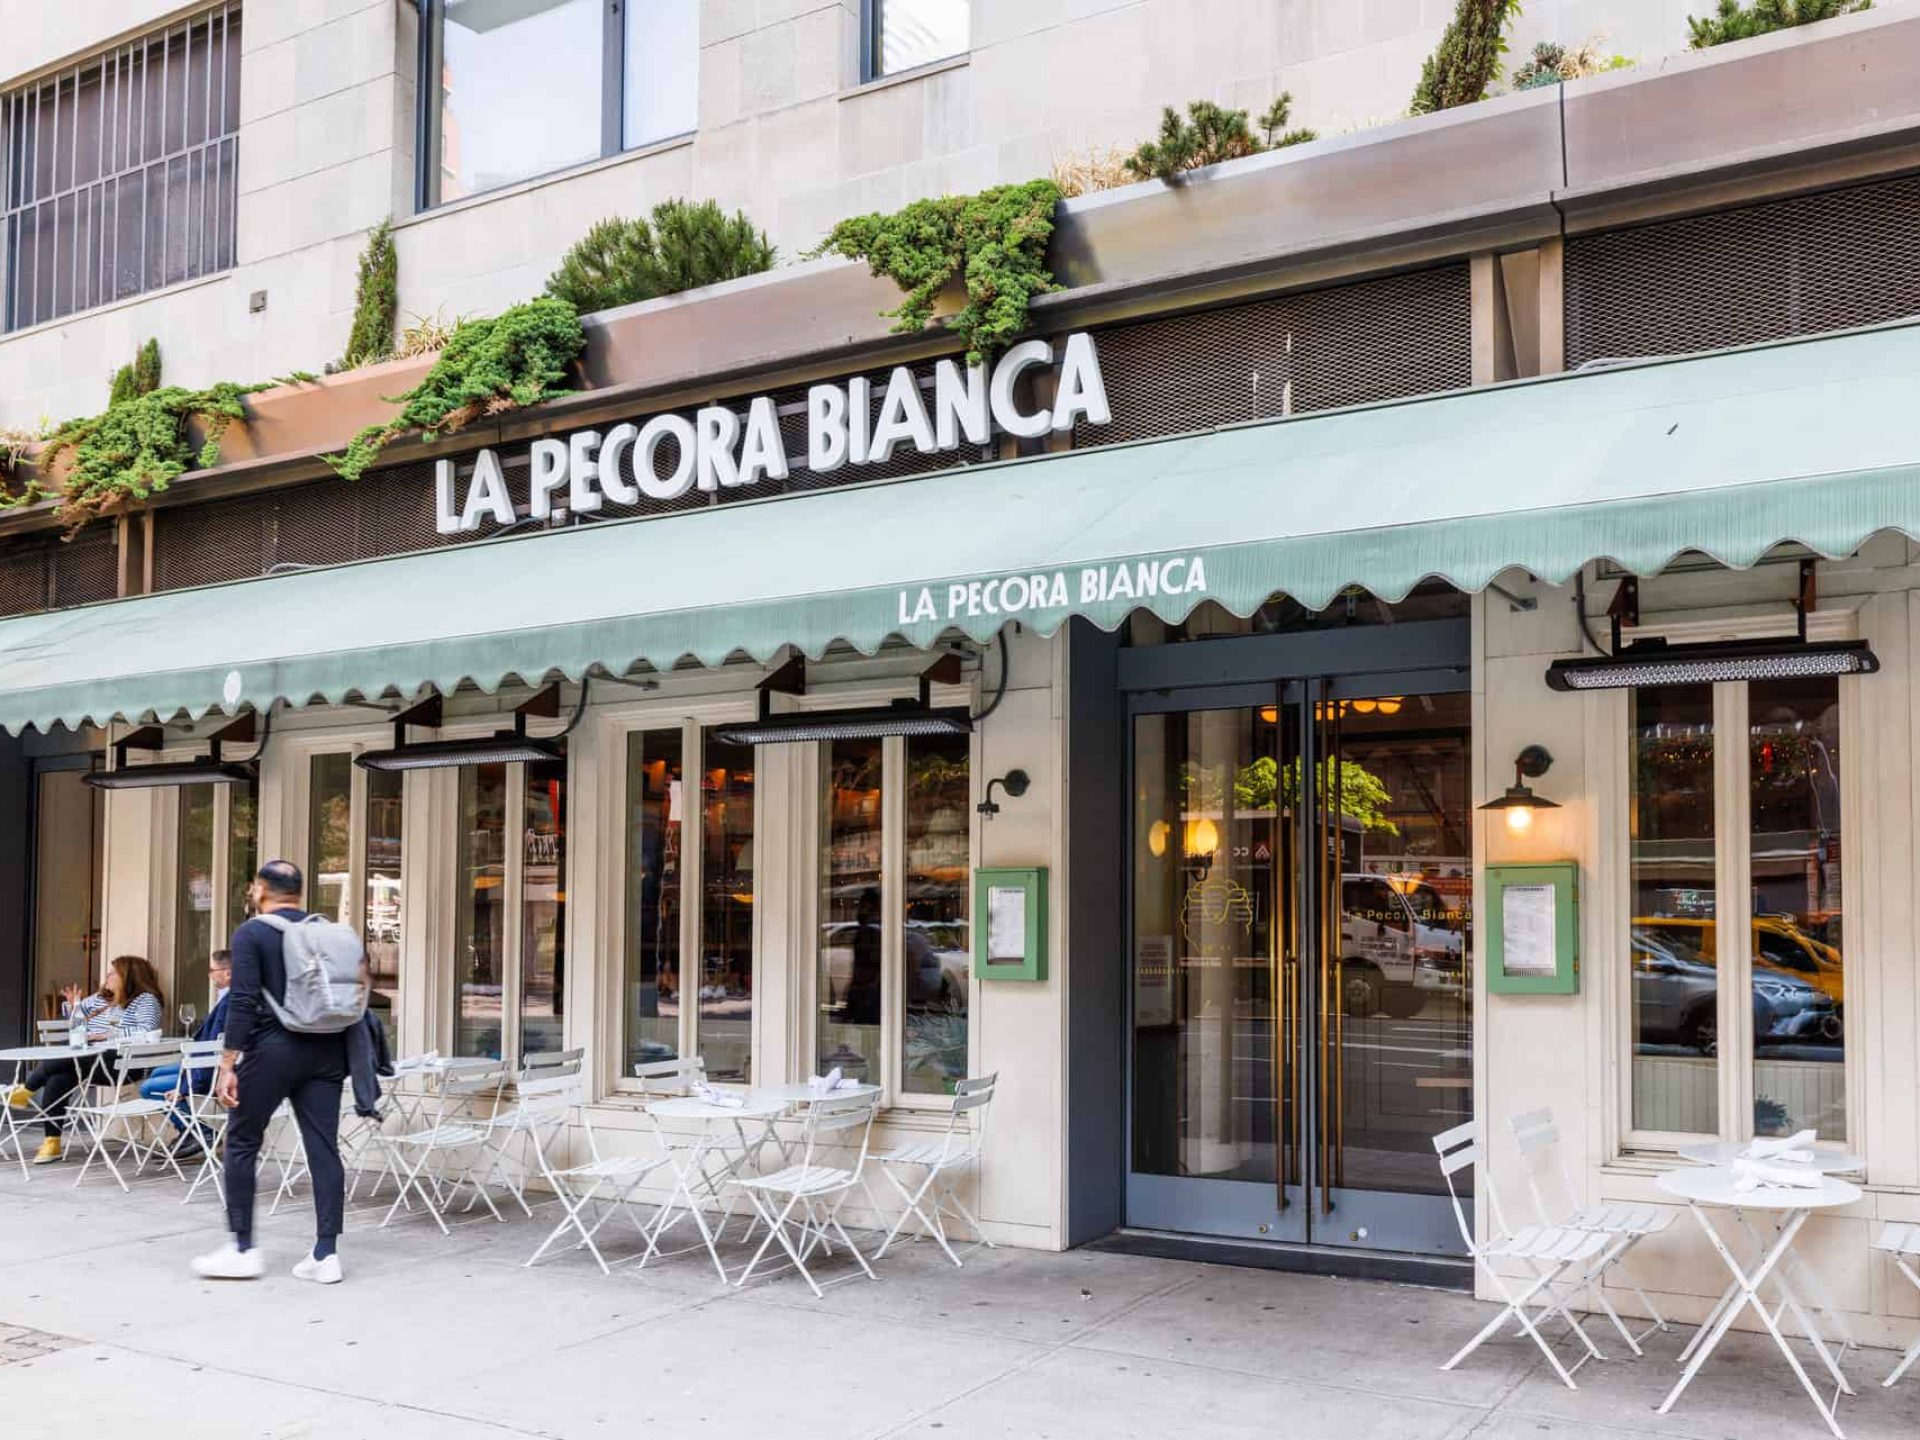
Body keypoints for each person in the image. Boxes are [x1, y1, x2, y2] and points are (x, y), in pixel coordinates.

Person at [192, 861, 349, 1286]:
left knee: (242, 1141)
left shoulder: (252, 932)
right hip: (328, 1049)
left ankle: (242, 1248)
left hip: (273, 1050)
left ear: (261, 889)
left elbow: (242, 1001)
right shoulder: (326, 930)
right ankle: (326, 1253)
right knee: (323, 1148)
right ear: (299, 892)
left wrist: (228, 1064)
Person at [5, 955, 165, 1164]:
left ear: (129, 976)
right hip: (90, 1061)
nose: (107, 976)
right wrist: (74, 1006)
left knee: (72, 1054)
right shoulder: (103, 998)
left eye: (113, 973)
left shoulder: (145, 1000)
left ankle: (26, 1089)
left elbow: (146, 1032)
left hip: (121, 1064)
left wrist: (106, 1035)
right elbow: (78, 1014)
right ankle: (52, 1141)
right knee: (61, 1075)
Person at [139, 950, 232, 1150]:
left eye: (212, 970)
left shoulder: (229, 1002)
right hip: (207, 1065)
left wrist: (185, 1087)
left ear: (228, 973)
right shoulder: (226, 997)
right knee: (157, 1073)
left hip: (214, 1073)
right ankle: (190, 1131)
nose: (210, 975)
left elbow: (212, 1051)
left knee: (149, 1088)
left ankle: (198, 1132)